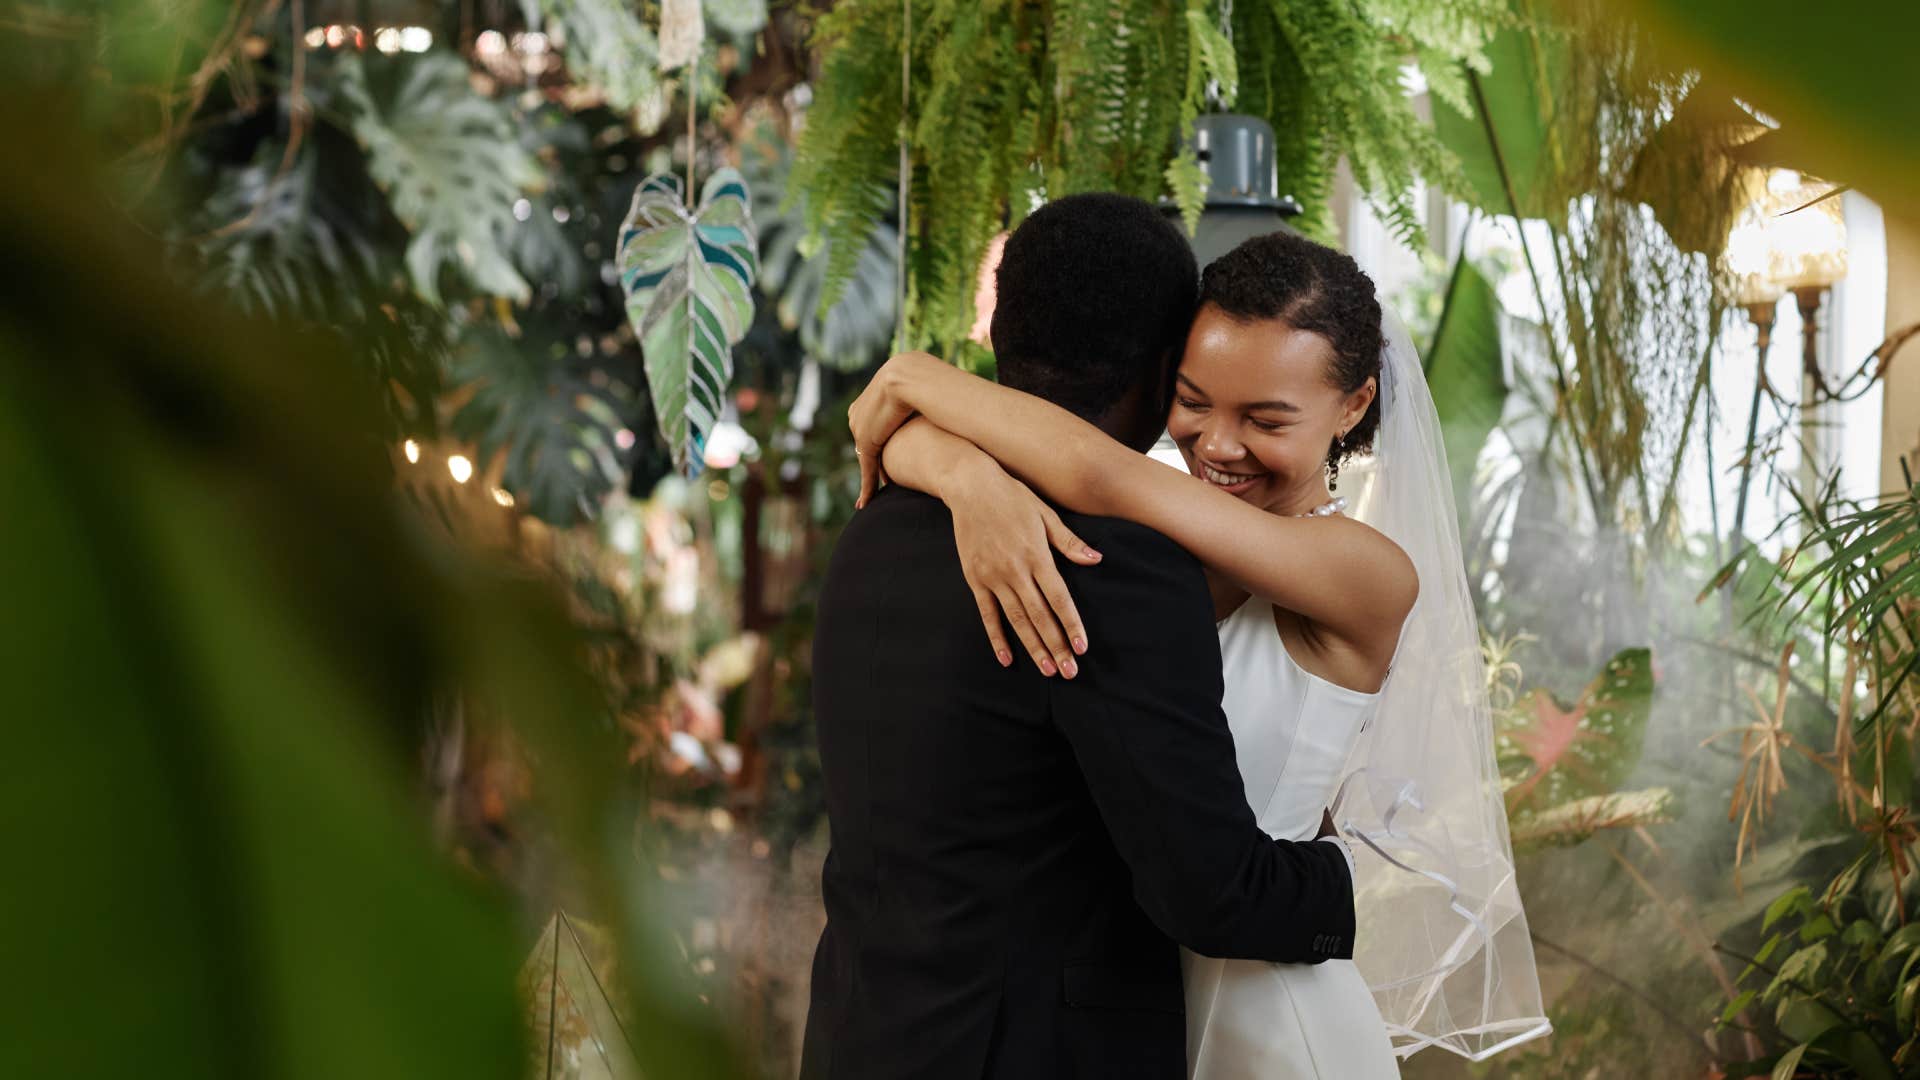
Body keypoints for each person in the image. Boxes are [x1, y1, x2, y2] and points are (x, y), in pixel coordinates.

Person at [850, 228, 1550, 1074]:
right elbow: (1049, 468)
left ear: (1354, 406)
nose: (1217, 445)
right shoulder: (1165, 532)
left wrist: (916, 383)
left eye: (1266, 419)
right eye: (1193, 401)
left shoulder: (1361, 571)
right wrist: (963, 477)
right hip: (1139, 1006)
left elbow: (1096, 475)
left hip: (1269, 1010)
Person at [799, 195, 1358, 1080]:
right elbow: (1209, 895)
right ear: (1162, 363)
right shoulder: (1119, 567)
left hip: (858, 1039)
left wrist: (933, 430)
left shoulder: (875, 523)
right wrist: (1348, 880)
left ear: (998, 333)